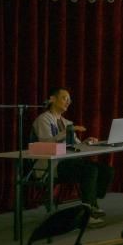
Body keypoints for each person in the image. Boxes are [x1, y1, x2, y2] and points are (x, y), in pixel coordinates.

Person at [31, 86, 113, 226]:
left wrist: (86, 142)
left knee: (106, 170)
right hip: (52, 165)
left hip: (69, 161)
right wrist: (66, 132)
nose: (68, 102)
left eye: (69, 99)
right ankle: (88, 213)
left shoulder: (66, 122)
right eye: (64, 98)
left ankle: (92, 202)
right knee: (89, 171)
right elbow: (46, 144)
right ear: (52, 99)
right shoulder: (43, 119)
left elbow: (76, 145)